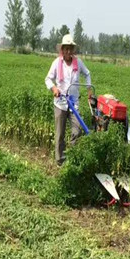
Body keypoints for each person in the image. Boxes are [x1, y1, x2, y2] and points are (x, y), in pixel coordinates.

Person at [44, 33, 93, 165]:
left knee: (77, 131)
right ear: (62, 49)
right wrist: (54, 89)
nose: (68, 51)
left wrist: (89, 89)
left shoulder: (78, 62)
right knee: (60, 134)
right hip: (60, 103)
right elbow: (48, 79)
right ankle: (60, 161)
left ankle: (72, 159)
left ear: (73, 50)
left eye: (70, 48)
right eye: (65, 48)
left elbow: (87, 73)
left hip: (74, 104)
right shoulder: (56, 63)